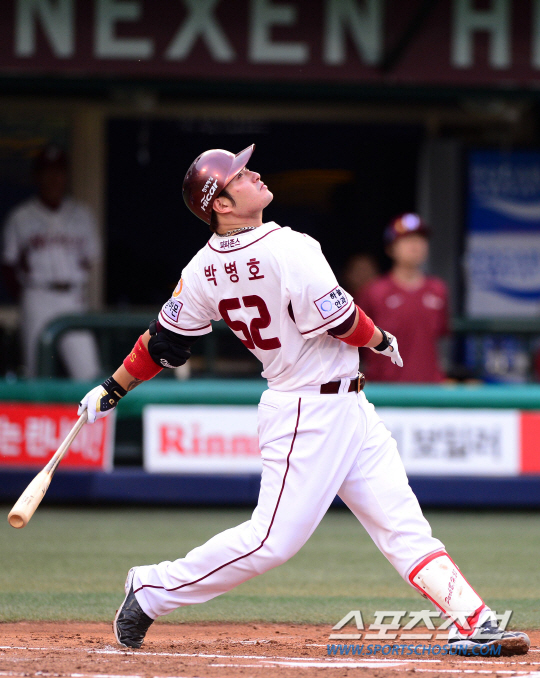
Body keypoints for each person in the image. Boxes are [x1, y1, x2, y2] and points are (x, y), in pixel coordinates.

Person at [78, 145, 529, 656]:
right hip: (304, 410)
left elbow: (161, 344)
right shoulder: (289, 246)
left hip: (347, 407)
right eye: (240, 175)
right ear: (220, 204)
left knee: (403, 526)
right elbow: (344, 322)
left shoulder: (201, 267)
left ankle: (474, 621)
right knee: (271, 541)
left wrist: (112, 387)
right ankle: (152, 589)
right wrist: (381, 339)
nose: (254, 174)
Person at [2, 144, 101, 379]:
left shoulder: (82, 214)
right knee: (36, 370)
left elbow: (90, 258)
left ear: (66, 176)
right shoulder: (20, 217)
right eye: (47, 172)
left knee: (88, 371)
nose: (54, 178)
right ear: (37, 176)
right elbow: (8, 265)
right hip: (37, 294)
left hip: (72, 296)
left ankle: (94, 406)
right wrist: (26, 296)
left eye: (59, 172)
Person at [357, 214, 448, 383]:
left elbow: (440, 336)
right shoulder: (375, 291)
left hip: (430, 387)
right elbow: (356, 339)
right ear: (390, 248)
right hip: (384, 388)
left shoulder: (438, 290)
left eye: (420, 239)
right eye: (407, 240)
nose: (415, 245)